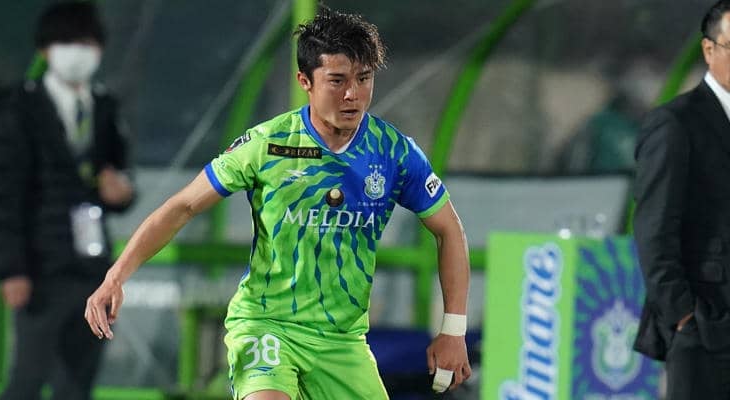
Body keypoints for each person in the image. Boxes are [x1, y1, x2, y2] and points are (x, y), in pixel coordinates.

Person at [85, 8, 471, 400]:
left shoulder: (394, 152)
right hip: (267, 325)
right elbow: (183, 207)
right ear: (305, 81)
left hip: (342, 341)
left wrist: (453, 330)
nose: (352, 94)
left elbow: (448, 230)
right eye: (337, 80)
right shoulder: (267, 144)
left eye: (364, 78)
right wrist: (116, 276)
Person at [0, 2, 134, 399]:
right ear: (45, 51)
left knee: (77, 382)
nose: (78, 53)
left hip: (93, 266)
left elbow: (118, 172)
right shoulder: (19, 109)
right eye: (67, 43)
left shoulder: (104, 106)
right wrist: (11, 269)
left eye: (87, 44)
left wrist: (121, 191)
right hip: (40, 266)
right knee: (28, 377)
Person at [633, 1, 730, 398]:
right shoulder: (675, 123)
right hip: (706, 327)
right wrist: (684, 316)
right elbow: (654, 230)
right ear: (709, 49)